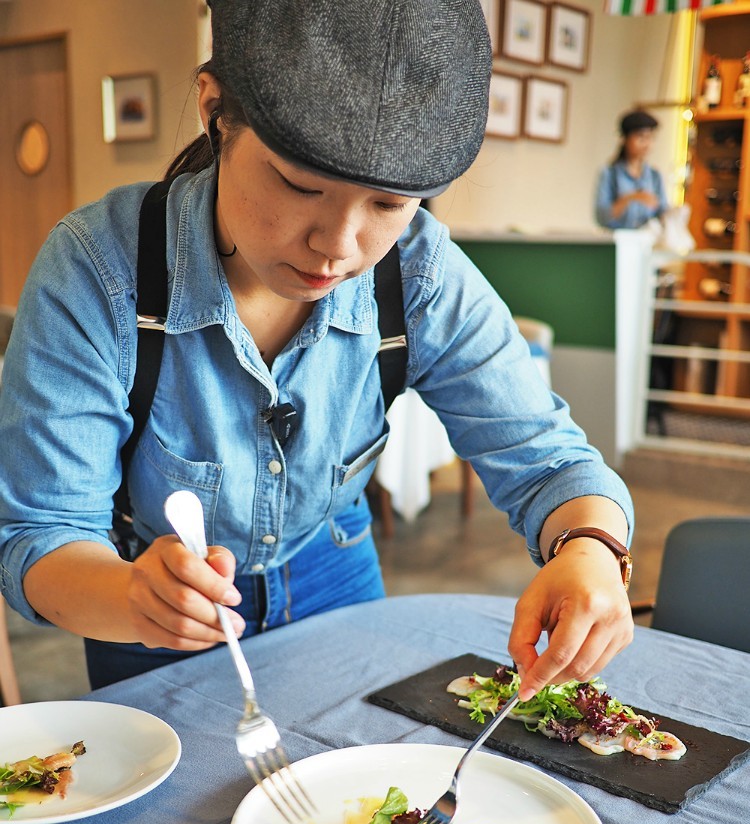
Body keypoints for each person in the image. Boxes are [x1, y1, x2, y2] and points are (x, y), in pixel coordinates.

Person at [0, 0, 634, 702]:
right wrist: (131, 596)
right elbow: (41, 535)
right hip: (151, 611)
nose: (337, 246)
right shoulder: (100, 268)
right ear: (215, 112)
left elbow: (550, 462)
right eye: (300, 185)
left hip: (335, 570)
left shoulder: (419, 274)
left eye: (389, 205)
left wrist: (592, 550)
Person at [595, 109, 669, 230]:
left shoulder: (655, 176)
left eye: (650, 137)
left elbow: (662, 213)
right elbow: (601, 217)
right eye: (640, 137)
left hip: (646, 241)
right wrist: (632, 197)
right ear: (624, 139)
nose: (646, 143)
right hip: (616, 241)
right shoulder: (609, 173)